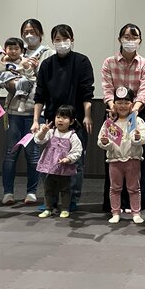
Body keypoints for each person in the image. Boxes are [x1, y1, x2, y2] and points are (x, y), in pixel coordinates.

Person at [33, 24, 94, 211]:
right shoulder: (47, 65)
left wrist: (87, 116)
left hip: (76, 121)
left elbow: (87, 93)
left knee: (76, 161)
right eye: (57, 40)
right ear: (52, 42)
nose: (61, 43)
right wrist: (35, 120)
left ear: (72, 40)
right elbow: (39, 95)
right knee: (48, 159)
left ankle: (72, 199)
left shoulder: (82, 61)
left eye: (65, 39)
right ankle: (49, 200)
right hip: (53, 121)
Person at [0, 19, 54, 206]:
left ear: (41, 33)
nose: (29, 35)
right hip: (14, 110)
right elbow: (3, 76)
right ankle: (8, 192)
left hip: (36, 112)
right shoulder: (14, 51)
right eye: (26, 31)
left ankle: (31, 192)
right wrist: (13, 82)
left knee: (33, 155)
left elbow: (50, 80)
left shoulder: (48, 53)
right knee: (10, 153)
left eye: (33, 31)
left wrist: (36, 69)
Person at [101, 23, 145, 212]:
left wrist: (133, 111)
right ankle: (114, 204)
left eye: (134, 37)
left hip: (137, 112)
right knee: (114, 154)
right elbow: (107, 88)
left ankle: (136, 204)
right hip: (113, 112)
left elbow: (144, 91)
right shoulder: (109, 62)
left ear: (140, 41)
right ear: (120, 39)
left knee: (136, 156)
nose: (130, 41)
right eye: (126, 37)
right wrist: (113, 107)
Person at [97, 87, 145, 225]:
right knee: (115, 188)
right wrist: (105, 142)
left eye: (126, 102)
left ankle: (136, 213)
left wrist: (138, 138)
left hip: (133, 159)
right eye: (119, 102)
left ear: (132, 104)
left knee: (134, 188)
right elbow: (101, 141)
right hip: (114, 160)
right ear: (114, 104)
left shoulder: (137, 121)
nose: (123, 106)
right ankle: (115, 212)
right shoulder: (109, 123)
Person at [35, 105, 83, 219]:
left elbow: (77, 150)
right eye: (58, 117)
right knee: (48, 188)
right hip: (50, 167)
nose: (60, 120)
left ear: (71, 121)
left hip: (64, 167)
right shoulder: (51, 132)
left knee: (65, 189)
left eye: (65, 118)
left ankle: (65, 209)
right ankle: (48, 208)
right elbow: (39, 140)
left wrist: (69, 158)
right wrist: (43, 132)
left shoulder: (72, 135)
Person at [0, 38, 34, 113]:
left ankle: (22, 102)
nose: (13, 51)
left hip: (21, 82)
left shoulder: (25, 61)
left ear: (22, 50)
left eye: (16, 49)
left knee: (24, 81)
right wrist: (3, 61)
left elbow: (31, 78)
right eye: (10, 49)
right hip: (10, 97)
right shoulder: (4, 60)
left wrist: (26, 66)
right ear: (5, 50)